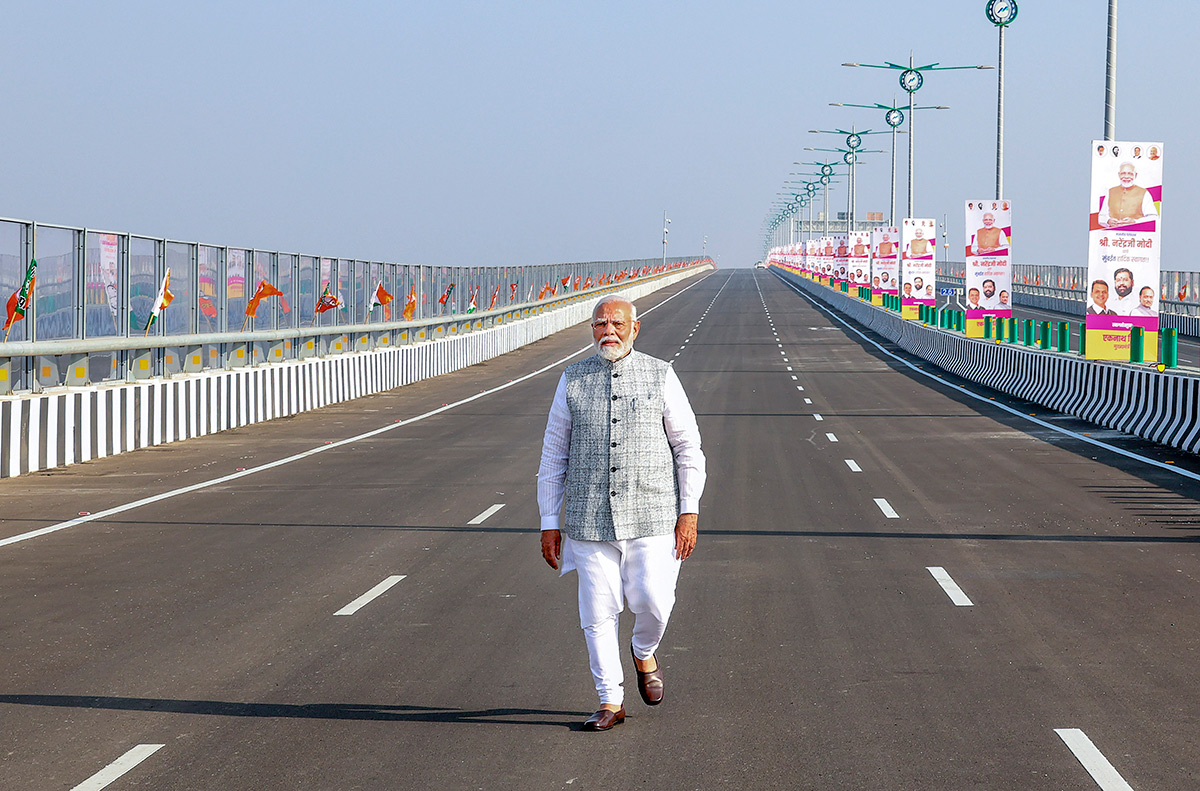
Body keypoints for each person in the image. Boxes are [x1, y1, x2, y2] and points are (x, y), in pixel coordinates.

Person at [539, 295, 706, 732]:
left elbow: (689, 447)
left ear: (635, 329)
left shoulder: (660, 375)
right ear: (591, 329)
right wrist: (548, 522)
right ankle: (610, 701)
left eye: (617, 323)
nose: (607, 331)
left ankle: (643, 648)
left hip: (652, 512)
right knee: (597, 611)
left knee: (654, 600)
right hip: (587, 518)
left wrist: (688, 512)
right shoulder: (571, 379)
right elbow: (554, 455)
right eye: (599, 324)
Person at [1099, 163, 1158, 227]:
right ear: (1119, 175)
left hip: (1137, 234)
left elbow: (1154, 217)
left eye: (1130, 174)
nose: (1126, 176)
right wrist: (1108, 221)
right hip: (1113, 234)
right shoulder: (1110, 191)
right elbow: (1101, 216)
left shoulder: (1144, 193)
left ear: (1135, 175)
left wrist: (1135, 222)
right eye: (1123, 173)